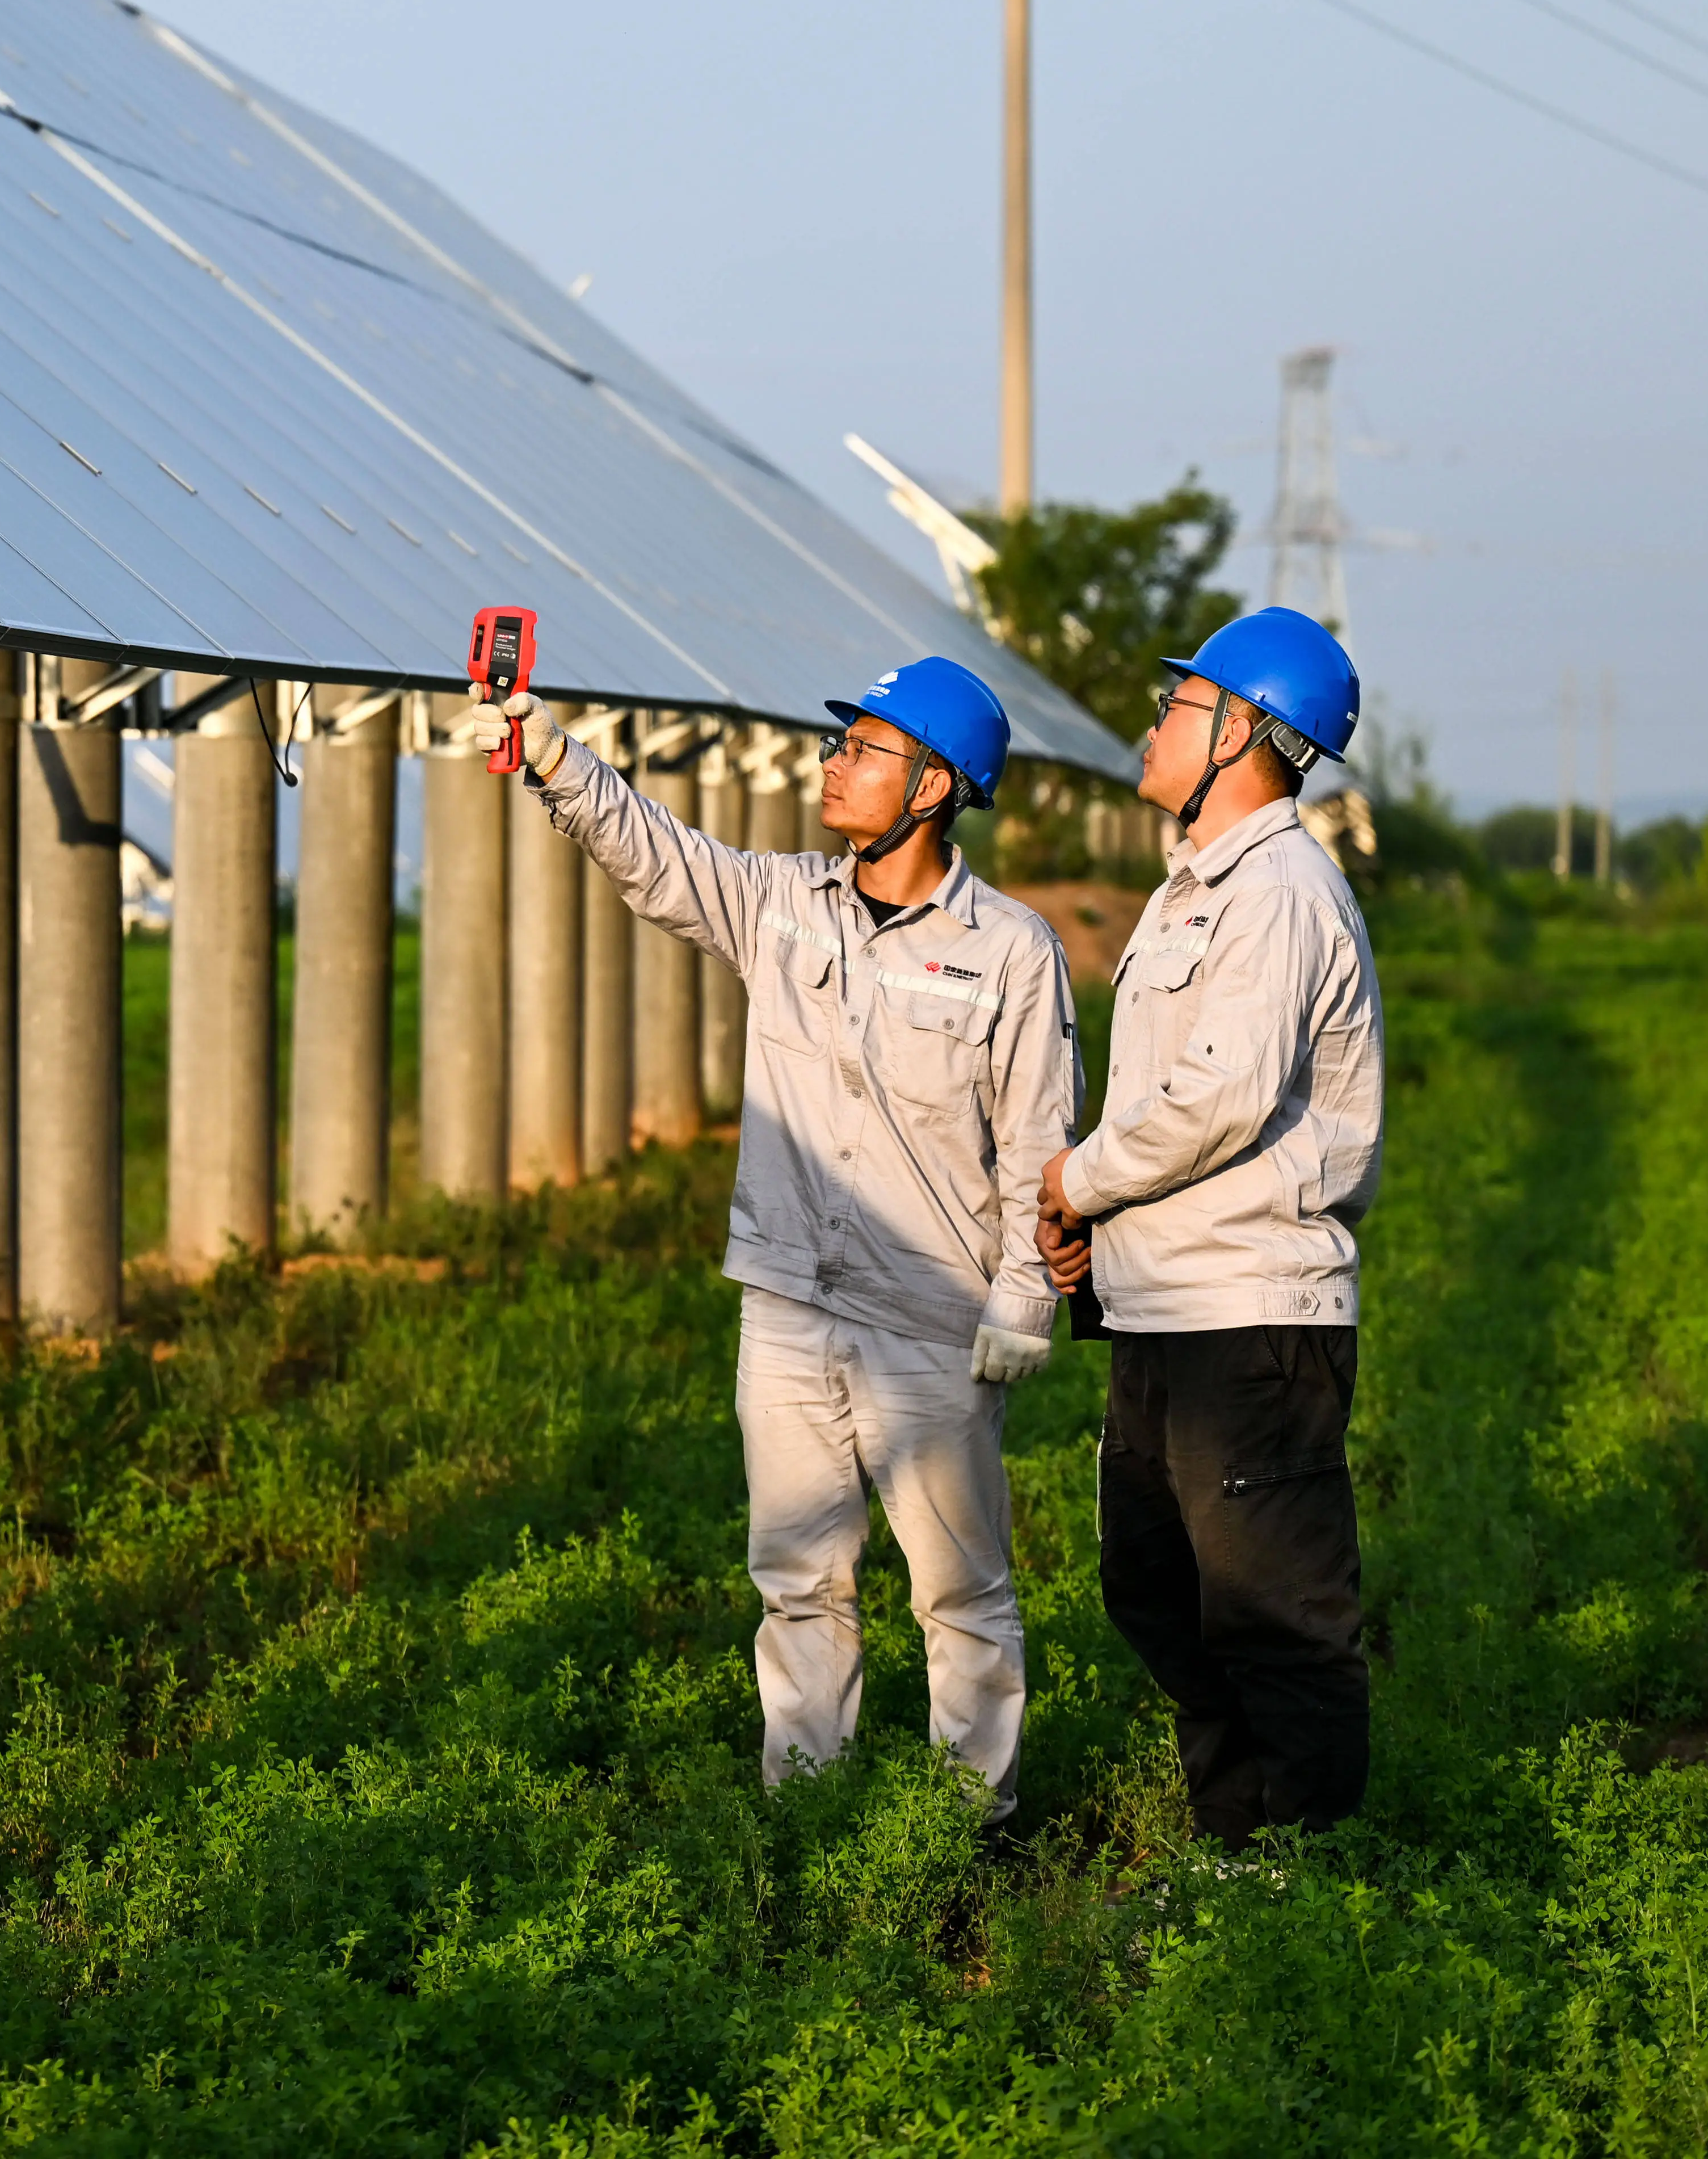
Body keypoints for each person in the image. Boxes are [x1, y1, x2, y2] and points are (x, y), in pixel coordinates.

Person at [466, 657, 1077, 1818]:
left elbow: (1038, 1146)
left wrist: (1021, 1305)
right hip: (789, 1303)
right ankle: (807, 1818)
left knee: (958, 1594)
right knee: (798, 1580)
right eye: (838, 744)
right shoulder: (784, 901)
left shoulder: (1011, 951)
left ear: (936, 784)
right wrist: (546, 750)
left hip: (932, 1321)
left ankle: (969, 1832)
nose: (831, 763)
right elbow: (653, 853)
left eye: (864, 749)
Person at [1037, 606, 1385, 1840]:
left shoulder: (1279, 890)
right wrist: (1098, 1227)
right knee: (1159, 1593)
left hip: (1249, 1318)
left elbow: (1221, 1096)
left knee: (1272, 1613)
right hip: (1164, 1309)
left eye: (1179, 704)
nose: (1153, 719)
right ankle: (1238, 1850)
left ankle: (1312, 1877)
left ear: (1244, 729)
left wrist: (1076, 1180)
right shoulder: (1191, 890)